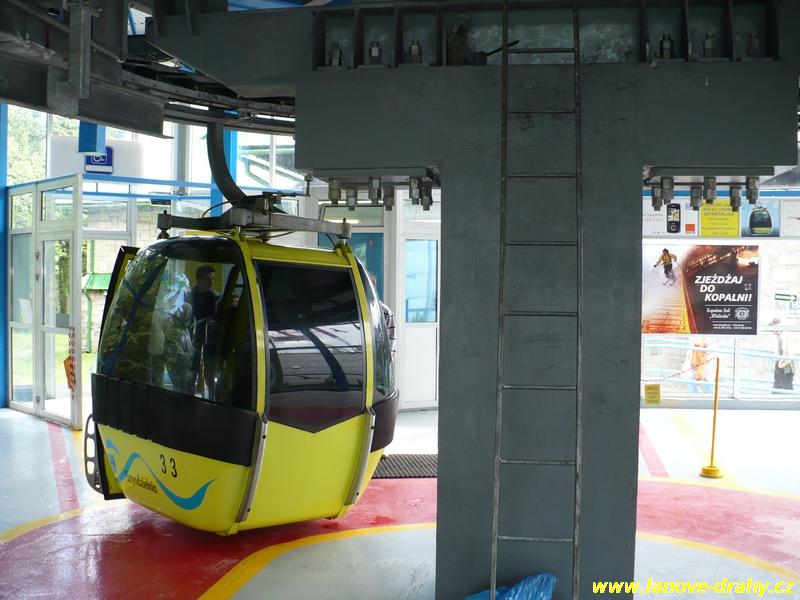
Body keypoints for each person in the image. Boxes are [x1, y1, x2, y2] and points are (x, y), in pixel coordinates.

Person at [189, 265, 220, 397]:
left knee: (210, 372)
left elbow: (217, 319)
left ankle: (212, 396)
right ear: (198, 280)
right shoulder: (190, 296)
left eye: (213, 279)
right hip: (192, 339)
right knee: (191, 370)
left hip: (209, 340)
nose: (211, 282)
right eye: (208, 279)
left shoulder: (215, 297)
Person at [771, 319, 795, 391]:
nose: (772, 332)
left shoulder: (784, 335)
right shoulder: (780, 335)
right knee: (779, 385)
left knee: (784, 386)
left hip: (785, 364)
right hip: (782, 362)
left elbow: (786, 351)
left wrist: (780, 364)